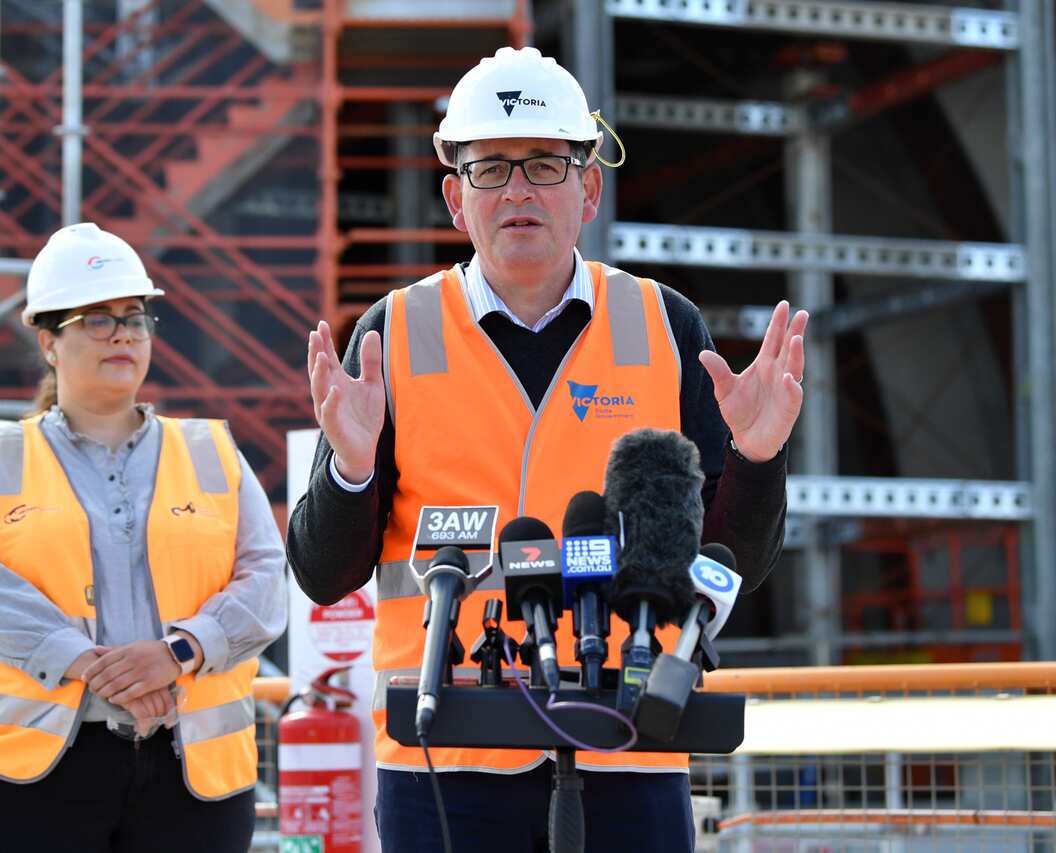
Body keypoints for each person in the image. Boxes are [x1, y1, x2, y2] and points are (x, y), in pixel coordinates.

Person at [287, 47, 807, 852]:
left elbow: (732, 559)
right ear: (456, 198)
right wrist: (352, 468)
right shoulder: (393, 333)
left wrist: (760, 457)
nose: (519, 188)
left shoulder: (664, 325)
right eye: (491, 167)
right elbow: (324, 573)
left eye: (544, 163)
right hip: (445, 744)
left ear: (589, 187)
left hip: (630, 737)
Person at [0, 222, 287, 852]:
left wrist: (176, 653)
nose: (123, 333)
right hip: (24, 774)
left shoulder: (212, 451)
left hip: (190, 773)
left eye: (135, 317)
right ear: (48, 343)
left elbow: (264, 582)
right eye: (97, 319)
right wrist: (92, 667)